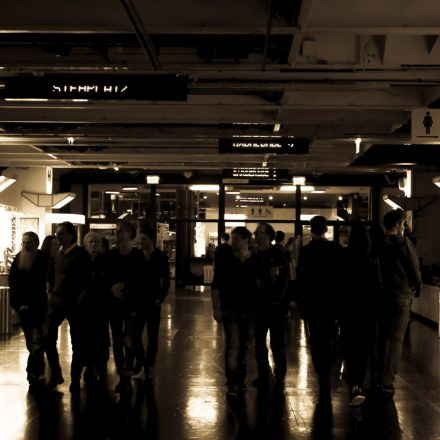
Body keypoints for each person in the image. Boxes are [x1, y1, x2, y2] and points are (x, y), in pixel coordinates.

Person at [296, 216, 344, 406]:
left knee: (316, 339)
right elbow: (341, 278)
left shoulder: (306, 251)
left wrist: (301, 304)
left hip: (313, 303)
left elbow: (301, 279)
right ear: (325, 229)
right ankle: (329, 367)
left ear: (311, 230)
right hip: (331, 303)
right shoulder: (336, 249)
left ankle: (321, 371)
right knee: (330, 336)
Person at [375, 209, 422, 397]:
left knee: (381, 336)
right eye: (403, 223)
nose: (405, 227)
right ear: (397, 224)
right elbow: (414, 268)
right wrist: (418, 286)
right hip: (401, 295)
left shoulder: (377, 244)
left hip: (380, 295)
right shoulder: (404, 243)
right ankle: (387, 381)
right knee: (395, 339)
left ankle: (377, 375)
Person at [211, 226, 261, 399]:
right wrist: (216, 308)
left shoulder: (254, 260)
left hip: (249, 309)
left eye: (236, 239)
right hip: (231, 308)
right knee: (234, 345)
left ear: (246, 240)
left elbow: (259, 284)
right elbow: (216, 285)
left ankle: (239, 379)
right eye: (232, 239)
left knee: (244, 346)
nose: (233, 242)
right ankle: (233, 381)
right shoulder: (227, 260)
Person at [44, 222, 92, 392]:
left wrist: (79, 299)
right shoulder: (58, 254)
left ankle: (75, 378)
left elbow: (87, 280)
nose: (58, 236)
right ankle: (56, 373)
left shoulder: (80, 255)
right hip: (57, 301)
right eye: (57, 234)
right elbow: (51, 274)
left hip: (74, 304)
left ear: (71, 235)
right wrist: (50, 292)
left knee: (77, 341)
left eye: (61, 233)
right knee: (48, 336)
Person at [340, 225, 380, 406]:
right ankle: (359, 383)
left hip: (348, 309)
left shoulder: (344, 259)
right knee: (363, 348)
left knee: (350, 345)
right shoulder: (371, 261)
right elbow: (376, 288)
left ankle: (353, 381)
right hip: (366, 311)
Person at [9, 232, 49, 391]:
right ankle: (34, 371)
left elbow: (43, 284)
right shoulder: (18, 259)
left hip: (39, 307)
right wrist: (18, 306)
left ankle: (35, 372)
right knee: (31, 341)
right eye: (23, 242)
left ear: (36, 244)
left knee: (37, 340)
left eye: (29, 242)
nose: (26, 245)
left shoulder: (43, 259)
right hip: (24, 309)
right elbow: (14, 285)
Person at [107, 219, 144, 392]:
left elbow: (141, 280)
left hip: (131, 303)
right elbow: (106, 277)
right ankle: (122, 372)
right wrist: (113, 288)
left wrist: (124, 287)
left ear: (129, 234)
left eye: (121, 230)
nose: (118, 233)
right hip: (115, 303)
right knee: (117, 338)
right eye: (117, 230)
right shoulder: (112, 254)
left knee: (129, 338)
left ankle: (128, 372)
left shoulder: (137, 256)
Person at [253, 222, 290, 390]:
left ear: (269, 235)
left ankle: (280, 375)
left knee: (277, 342)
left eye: (260, 232)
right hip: (259, 305)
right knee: (259, 341)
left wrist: (280, 299)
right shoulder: (254, 254)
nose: (256, 235)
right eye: (256, 232)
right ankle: (263, 373)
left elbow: (281, 279)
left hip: (275, 305)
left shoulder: (277, 252)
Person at [132, 226, 170, 380]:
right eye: (140, 239)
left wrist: (160, 298)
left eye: (144, 239)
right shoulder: (137, 256)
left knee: (152, 335)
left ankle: (149, 364)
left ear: (152, 241)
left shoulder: (160, 257)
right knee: (135, 335)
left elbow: (166, 279)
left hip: (153, 301)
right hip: (139, 301)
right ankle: (142, 361)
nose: (141, 241)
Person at [82, 231, 111, 387]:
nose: (93, 245)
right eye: (90, 242)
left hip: (101, 305)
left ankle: (101, 365)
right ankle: (89, 366)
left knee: (101, 335)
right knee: (88, 337)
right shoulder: (82, 261)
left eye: (95, 242)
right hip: (86, 306)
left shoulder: (104, 262)